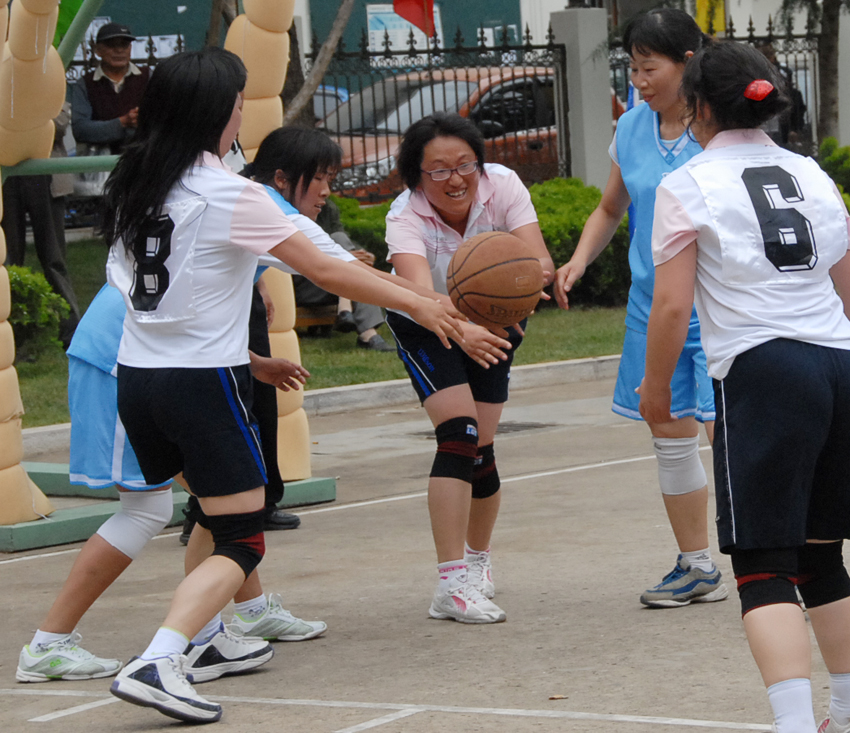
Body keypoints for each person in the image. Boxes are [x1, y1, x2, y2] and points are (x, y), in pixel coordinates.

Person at [101, 47, 462, 723]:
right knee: (243, 536)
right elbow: (326, 270)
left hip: (139, 378)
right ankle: (159, 657)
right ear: (217, 112)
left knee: (212, 511)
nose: (243, 114)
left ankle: (203, 639)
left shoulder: (135, 182)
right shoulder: (228, 193)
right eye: (238, 103)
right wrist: (421, 303)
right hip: (201, 382)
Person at [638, 40, 850, 733]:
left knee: (763, 566)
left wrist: (654, 388)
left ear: (697, 106)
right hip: (838, 364)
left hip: (766, 370)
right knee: (822, 557)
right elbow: (847, 288)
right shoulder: (810, 173)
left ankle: (794, 725)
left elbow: (672, 306)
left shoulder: (688, 183)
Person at [16, 283, 324, 684]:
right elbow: (321, 266)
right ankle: (48, 644)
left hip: (145, 355)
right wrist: (405, 297)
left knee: (221, 494)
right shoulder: (236, 241)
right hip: (122, 362)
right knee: (148, 509)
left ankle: (238, 618)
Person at [554, 8, 728, 609]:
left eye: (649, 67)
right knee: (670, 432)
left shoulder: (721, 127)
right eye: (632, 67)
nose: (639, 79)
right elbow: (611, 207)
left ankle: (781, 559)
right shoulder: (631, 127)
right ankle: (696, 564)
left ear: (688, 63)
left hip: (719, 305)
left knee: (732, 436)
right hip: (654, 305)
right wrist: (579, 260)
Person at [383, 112, 554, 624]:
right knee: (459, 435)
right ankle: (451, 582)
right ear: (417, 176)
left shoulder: (502, 185)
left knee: (482, 448)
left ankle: (478, 561)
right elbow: (418, 295)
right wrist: (465, 325)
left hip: (496, 317)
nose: (455, 179)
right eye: (438, 170)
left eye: (465, 165)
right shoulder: (405, 216)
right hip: (423, 321)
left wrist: (521, 290)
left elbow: (539, 261)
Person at [2, 108, 81, 349]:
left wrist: (17, 122)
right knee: (9, 261)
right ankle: (14, 336)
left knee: (54, 259)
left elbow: (60, 122)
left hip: (46, 173)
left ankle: (73, 334)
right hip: (7, 175)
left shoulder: (45, 85)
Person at [292, 198, 395, 352]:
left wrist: (363, 255)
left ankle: (347, 309)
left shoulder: (327, 208)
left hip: (331, 283)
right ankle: (359, 324)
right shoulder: (284, 212)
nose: (325, 191)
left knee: (339, 238)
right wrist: (345, 259)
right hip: (305, 283)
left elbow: (342, 240)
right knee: (350, 261)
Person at [70, 23, 149, 155]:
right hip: (101, 162)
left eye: (124, 45)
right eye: (111, 45)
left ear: (130, 48)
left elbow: (163, 121)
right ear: (97, 50)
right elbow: (81, 130)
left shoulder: (148, 77)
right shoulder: (85, 84)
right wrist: (122, 122)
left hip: (144, 157)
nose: (119, 50)